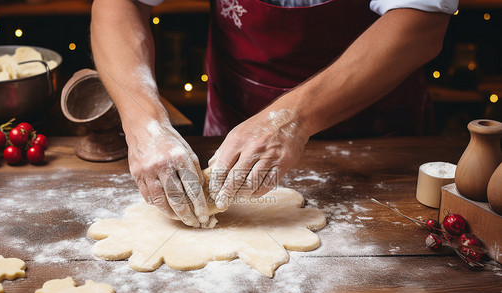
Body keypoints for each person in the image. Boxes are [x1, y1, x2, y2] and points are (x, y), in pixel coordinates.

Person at [90, 0, 458, 227]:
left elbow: (421, 22)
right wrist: (144, 123)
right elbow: (119, 4)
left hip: (377, 132)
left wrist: (292, 118)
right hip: (233, 113)